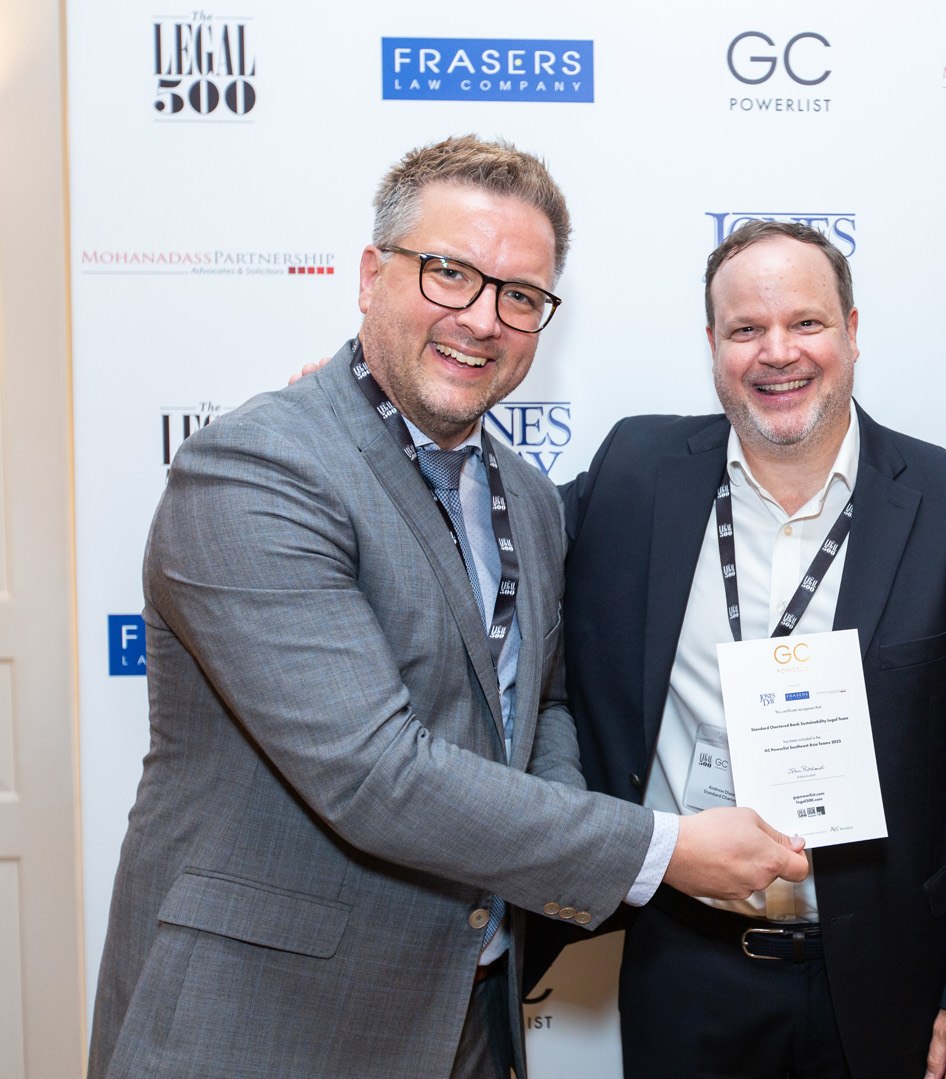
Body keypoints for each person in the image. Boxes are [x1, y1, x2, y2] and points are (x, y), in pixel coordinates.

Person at [88, 136, 808, 1079]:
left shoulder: (528, 495)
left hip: (467, 1013)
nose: (481, 318)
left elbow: (541, 704)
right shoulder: (260, 467)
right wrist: (660, 848)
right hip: (262, 1022)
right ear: (371, 276)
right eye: (449, 273)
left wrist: (570, 822)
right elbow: (372, 772)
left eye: (520, 296)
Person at [558, 220, 946, 1079]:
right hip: (685, 968)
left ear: (852, 332)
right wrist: (359, 443)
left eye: (806, 323)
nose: (777, 352)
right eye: (746, 328)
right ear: (713, 345)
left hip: (895, 974)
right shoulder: (635, 470)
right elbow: (492, 527)